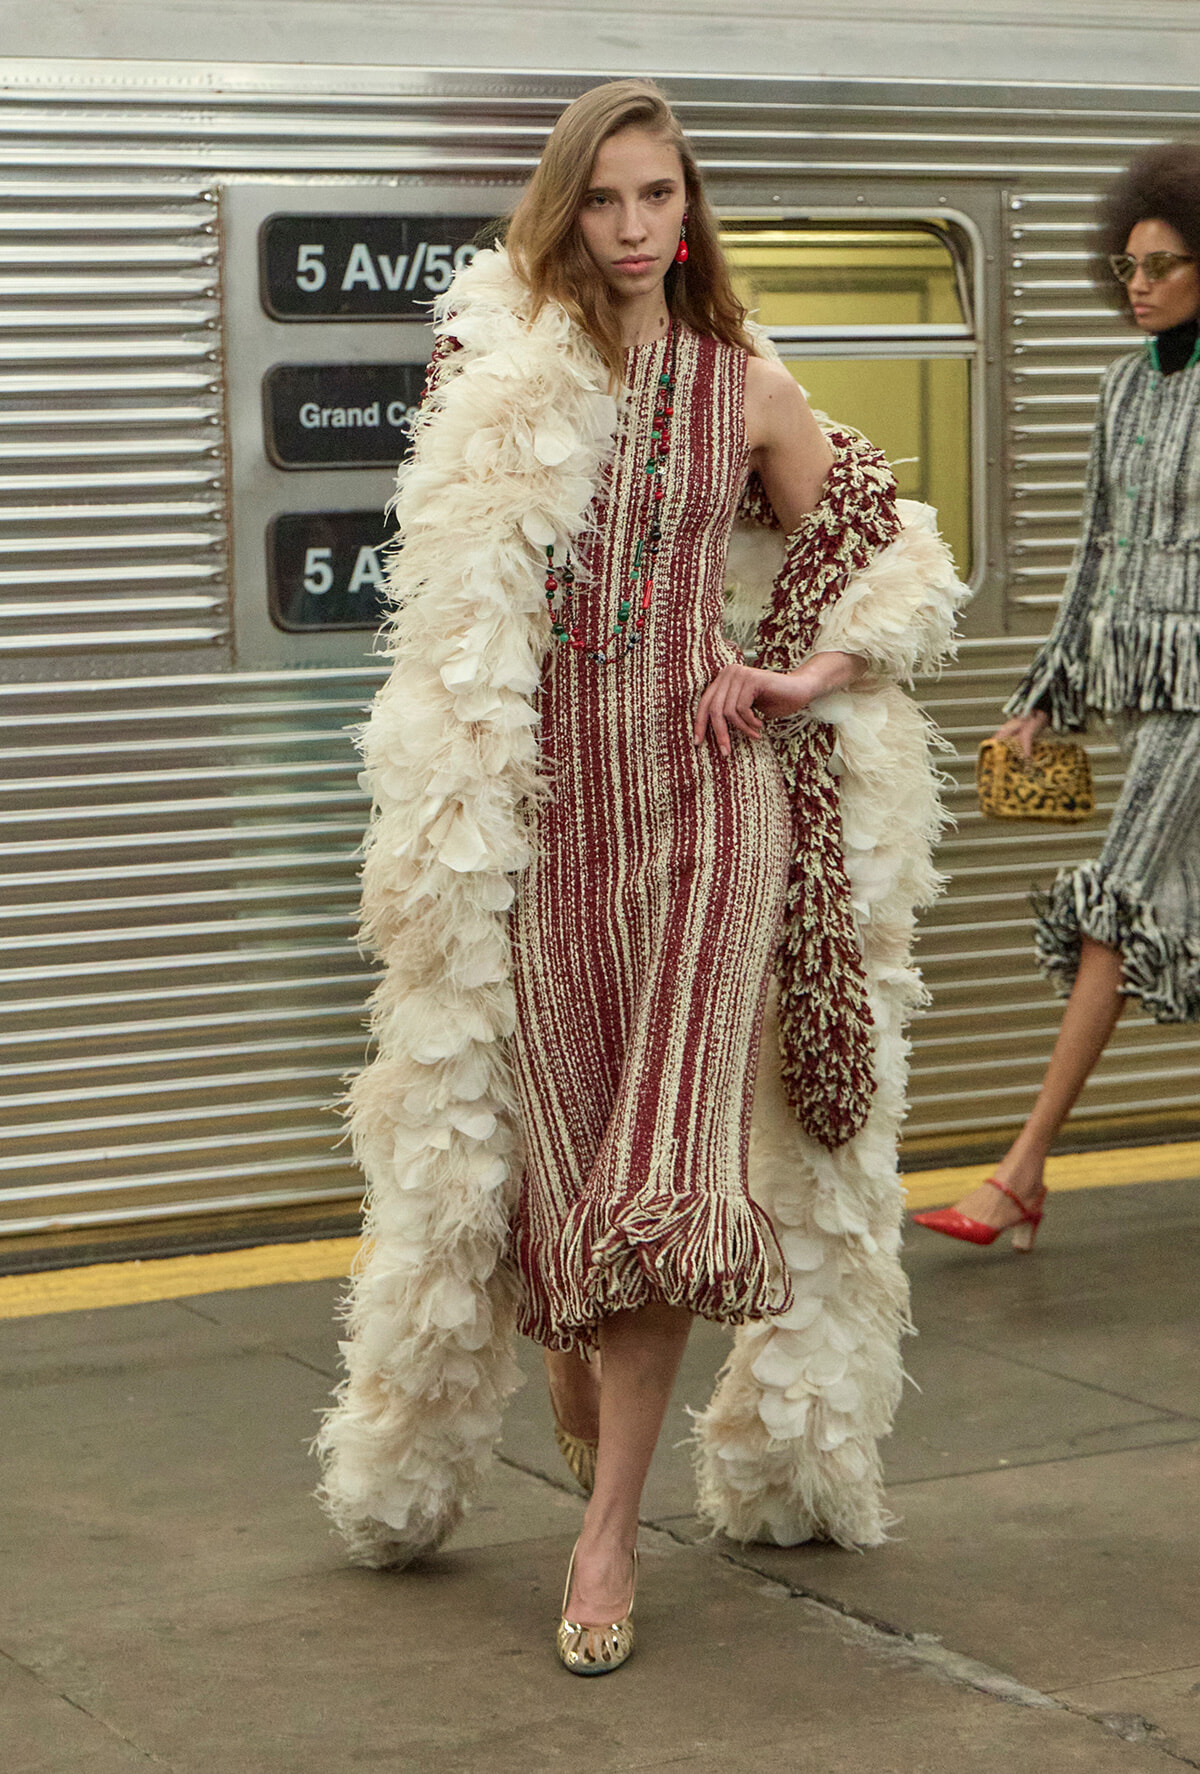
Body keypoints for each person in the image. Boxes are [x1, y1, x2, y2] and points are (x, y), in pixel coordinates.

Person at [317, 79, 966, 1674]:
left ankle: (606, 1536)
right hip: (542, 837)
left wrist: (801, 675)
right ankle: (583, 1416)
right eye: (604, 200)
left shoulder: (741, 383)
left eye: (657, 198)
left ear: (692, 211)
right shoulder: (493, 378)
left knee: (666, 1177)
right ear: (565, 210)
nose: (630, 229)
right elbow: (460, 617)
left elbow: (889, 547)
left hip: (705, 817)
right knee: (557, 1210)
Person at [913, 141, 1200, 1255]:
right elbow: (1094, 556)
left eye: (1165, 265)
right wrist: (1045, 697)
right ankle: (1023, 1174)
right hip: (1148, 690)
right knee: (1155, 917)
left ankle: (1021, 1173)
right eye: (1129, 265)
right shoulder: (1122, 387)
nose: (1139, 285)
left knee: (1116, 906)